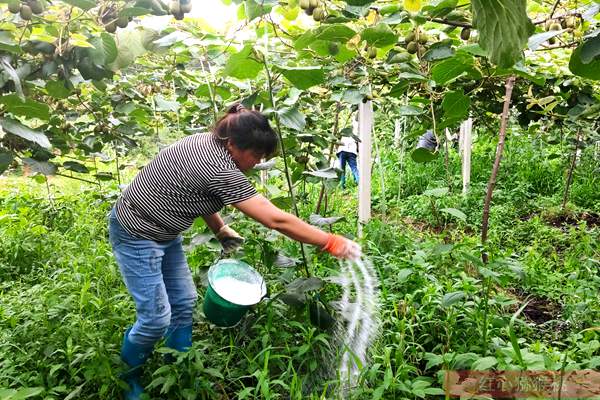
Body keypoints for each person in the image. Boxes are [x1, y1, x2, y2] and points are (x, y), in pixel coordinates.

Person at [108, 103, 361, 399]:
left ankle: (178, 365)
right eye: (255, 155)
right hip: (137, 233)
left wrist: (219, 228)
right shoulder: (217, 166)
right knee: (154, 318)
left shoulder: (208, 142)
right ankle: (129, 379)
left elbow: (191, 191)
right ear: (232, 144)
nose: (256, 162)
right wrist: (330, 241)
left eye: (262, 156)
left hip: (166, 231)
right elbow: (274, 218)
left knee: (185, 301)